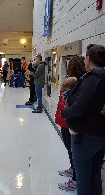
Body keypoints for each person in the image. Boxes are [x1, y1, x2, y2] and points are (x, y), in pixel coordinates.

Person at [61, 44, 105, 195]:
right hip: (100, 133)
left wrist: (64, 112)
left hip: (86, 134)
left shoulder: (92, 78)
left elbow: (79, 107)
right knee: (95, 177)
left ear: (88, 59)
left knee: (84, 180)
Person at [55, 55, 86, 192]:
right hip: (65, 120)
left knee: (73, 151)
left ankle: (75, 179)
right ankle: (73, 169)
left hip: (69, 121)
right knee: (70, 150)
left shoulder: (76, 82)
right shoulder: (80, 82)